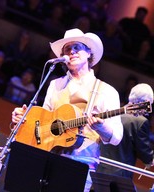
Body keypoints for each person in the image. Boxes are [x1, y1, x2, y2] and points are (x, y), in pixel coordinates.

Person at [11, 28, 123, 192]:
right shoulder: (55, 84)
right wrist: (24, 119)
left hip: (80, 166)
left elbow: (117, 137)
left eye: (77, 47)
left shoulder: (107, 91)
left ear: (89, 53)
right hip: (47, 159)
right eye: (67, 49)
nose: (72, 52)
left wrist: (102, 128)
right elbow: (43, 124)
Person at [97, 83, 154, 179]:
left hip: (98, 170)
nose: (149, 110)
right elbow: (145, 153)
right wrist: (150, 160)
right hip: (119, 176)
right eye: (149, 105)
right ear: (145, 102)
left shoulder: (113, 114)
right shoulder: (140, 122)